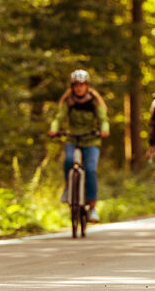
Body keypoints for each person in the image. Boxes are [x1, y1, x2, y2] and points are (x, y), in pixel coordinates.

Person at [49, 69, 110, 223]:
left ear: (87, 86)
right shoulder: (68, 101)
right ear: (72, 86)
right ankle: (68, 187)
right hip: (73, 138)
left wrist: (104, 129)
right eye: (76, 85)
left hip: (91, 140)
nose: (79, 88)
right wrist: (54, 128)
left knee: (90, 170)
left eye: (82, 85)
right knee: (69, 160)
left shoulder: (94, 101)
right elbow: (58, 118)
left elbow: (103, 119)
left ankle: (92, 207)